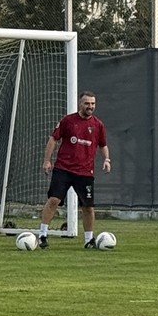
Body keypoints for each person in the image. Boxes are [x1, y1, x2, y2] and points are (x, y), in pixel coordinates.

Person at [37, 91, 111, 248]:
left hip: (85, 172)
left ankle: (89, 240)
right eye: (87, 103)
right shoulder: (68, 121)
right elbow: (53, 139)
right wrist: (47, 161)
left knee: (88, 206)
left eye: (93, 103)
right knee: (54, 200)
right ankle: (42, 235)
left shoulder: (98, 125)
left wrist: (106, 159)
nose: (90, 106)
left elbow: (103, 145)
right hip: (63, 168)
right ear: (80, 104)